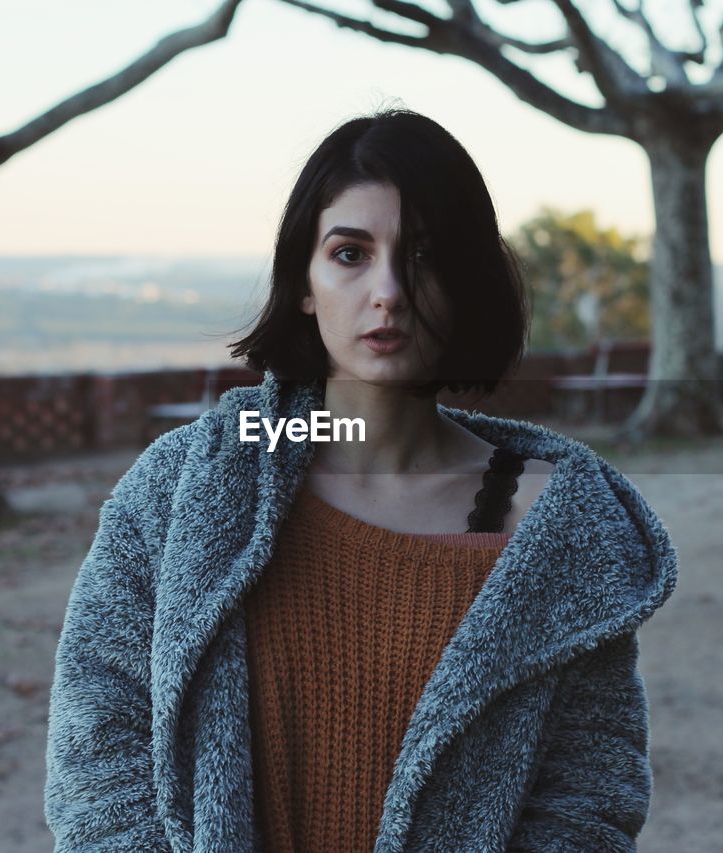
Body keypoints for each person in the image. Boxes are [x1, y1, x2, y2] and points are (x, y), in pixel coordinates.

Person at [44, 108, 678, 852]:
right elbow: (99, 752)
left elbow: (587, 800)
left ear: (466, 280)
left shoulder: (556, 528)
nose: (389, 291)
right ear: (304, 283)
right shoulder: (183, 490)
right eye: (350, 253)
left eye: (425, 256)